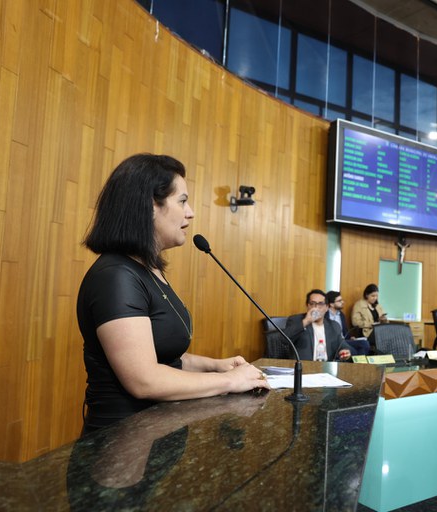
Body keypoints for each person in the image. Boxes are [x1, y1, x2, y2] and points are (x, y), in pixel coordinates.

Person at [76, 154, 269, 435]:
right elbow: (144, 380)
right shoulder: (116, 276)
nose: (190, 212)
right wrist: (230, 381)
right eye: (182, 201)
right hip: (121, 444)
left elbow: (165, 357)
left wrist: (217, 366)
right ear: (149, 206)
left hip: (155, 434)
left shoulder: (147, 270)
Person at [284, 289, 353, 361]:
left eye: (320, 304)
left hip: (327, 366)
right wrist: (306, 321)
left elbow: (342, 344)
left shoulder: (333, 325)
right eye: (312, 303)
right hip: (304, 365)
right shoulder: (296, 320)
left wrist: (345, 351)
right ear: (307, 306)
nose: (316, 307)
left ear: (327, 307)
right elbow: (283, 340)